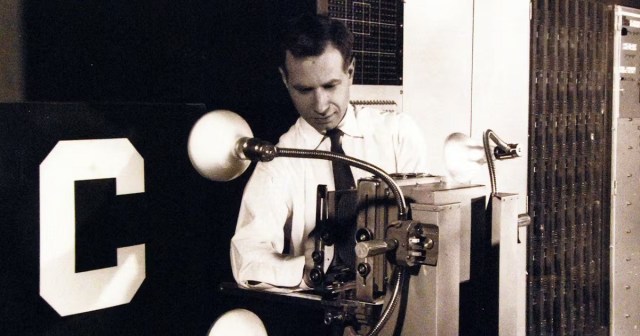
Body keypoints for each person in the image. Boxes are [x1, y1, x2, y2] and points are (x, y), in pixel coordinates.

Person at [230, 13, 428, 288]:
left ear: (350, 72)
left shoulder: (398, 134)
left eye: (330, 86)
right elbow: (246, 257)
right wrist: (304, 269)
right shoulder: (279, 160)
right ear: (285, 81)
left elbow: (426, 226)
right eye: (304, 89)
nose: (321, 105)